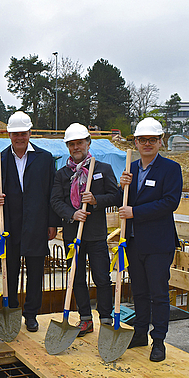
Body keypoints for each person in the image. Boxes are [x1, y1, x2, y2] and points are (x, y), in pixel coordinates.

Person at [0, 111, 60, 332]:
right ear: (9, 135)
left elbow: (51, 194)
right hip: (10, 226)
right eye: (15, 134)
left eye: (23, 133)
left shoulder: (44, 159)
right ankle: (13, 309)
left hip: (36, 224)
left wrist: (51, 223)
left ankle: (31, 314)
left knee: (36, 272)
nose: (19, 138)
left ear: (30, 133)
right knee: (10, 271)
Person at [119, 117, 182, 362]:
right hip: (134, 242)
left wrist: (136, 212)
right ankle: (140, 333)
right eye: (143, 140)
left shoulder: (170, 169)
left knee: (158, 293)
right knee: (140, 292)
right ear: (135, 142)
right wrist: (120, 186)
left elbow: (170, 202)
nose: (147, 144)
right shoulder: (131, 169)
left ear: (160, 142)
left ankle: (159, 341)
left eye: (152, 140)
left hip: (158, 243)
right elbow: (122, 200)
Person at [51, 123, 120, 336]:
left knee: (102, 277)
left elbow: (116, 196)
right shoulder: (62, 174)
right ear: (68, 147)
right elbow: (55, 201)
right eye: (71, 144)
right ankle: (85, 319)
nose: (76, 147)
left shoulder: (102, 169)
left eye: (79, 143)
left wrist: (95, 200)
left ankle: (106, 319)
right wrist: (72, 214)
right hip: (73, 235)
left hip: (97, 234)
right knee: (77, 278)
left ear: (88, 143)